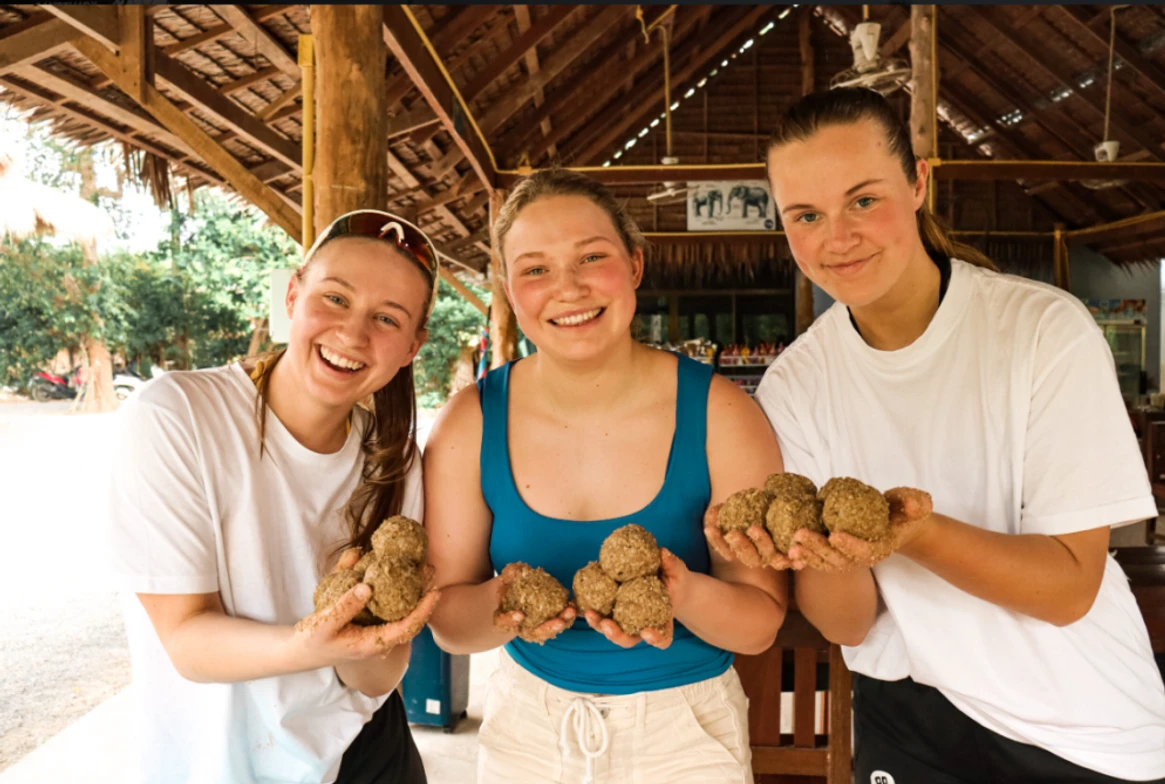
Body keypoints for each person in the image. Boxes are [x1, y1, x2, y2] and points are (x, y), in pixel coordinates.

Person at [709, 86, 1165, 784]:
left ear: (919, 182)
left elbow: (1068, 590)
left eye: (863, 200)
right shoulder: (797, 384)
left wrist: (915, 533)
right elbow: (847, 625)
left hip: (1079, 724)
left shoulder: (1040, 332)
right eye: (806, 215)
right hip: (904, 720)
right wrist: (811, 550)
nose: (836, 237)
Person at [423, 170, 788, 784]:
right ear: (510, 290)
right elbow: (451, 625)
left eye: (592, 257)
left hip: (687, 734)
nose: (568, 288)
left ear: (635, 266)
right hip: (526, 733)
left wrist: (682, 592)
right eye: (535, 270)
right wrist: (504, 604)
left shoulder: (723, 415)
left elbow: (760, 625)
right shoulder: (470, 421)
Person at [108, 210, 442, 784]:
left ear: (413, 347)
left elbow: (377, 677)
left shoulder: (395, 464)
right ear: (292, 294)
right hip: (218, 760)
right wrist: (315, 640)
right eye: (335, 298)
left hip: (367, 752)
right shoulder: (177, 416)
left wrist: (380, 635)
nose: (353, 333)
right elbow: (187, 639)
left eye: (386, 318)